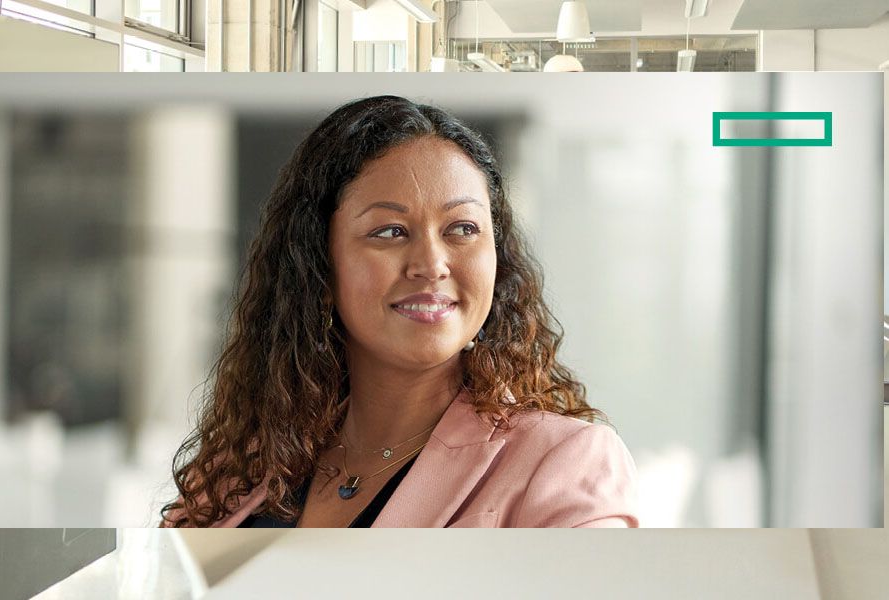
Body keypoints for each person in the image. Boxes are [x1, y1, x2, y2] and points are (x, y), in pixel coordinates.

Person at [160, 95, 638, 528]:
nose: (431, 265)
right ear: (319, 264)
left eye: (463, 228)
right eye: (390, 231)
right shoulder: (237, 471)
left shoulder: (562, 461)